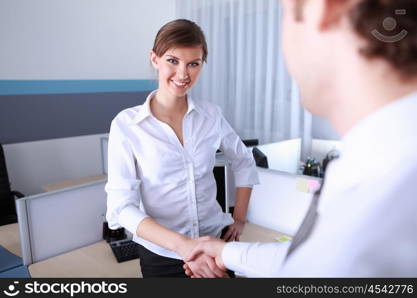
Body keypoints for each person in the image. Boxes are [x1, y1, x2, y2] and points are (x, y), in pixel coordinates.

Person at [184, 0, 417, 277]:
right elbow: (318, 259)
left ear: (323, 9)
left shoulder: (386, 197)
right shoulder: (384, 167)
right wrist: (226, 253)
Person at [105, 19, 259, 278]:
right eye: (173, 61)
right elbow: (121, 208)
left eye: (193, 64)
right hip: (162, 256)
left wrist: (239, 218)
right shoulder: (127, 125)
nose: (183, 74)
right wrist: (185, 247)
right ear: (154, 59)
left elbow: (244, 160)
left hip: (216, 245)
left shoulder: (211, 115)